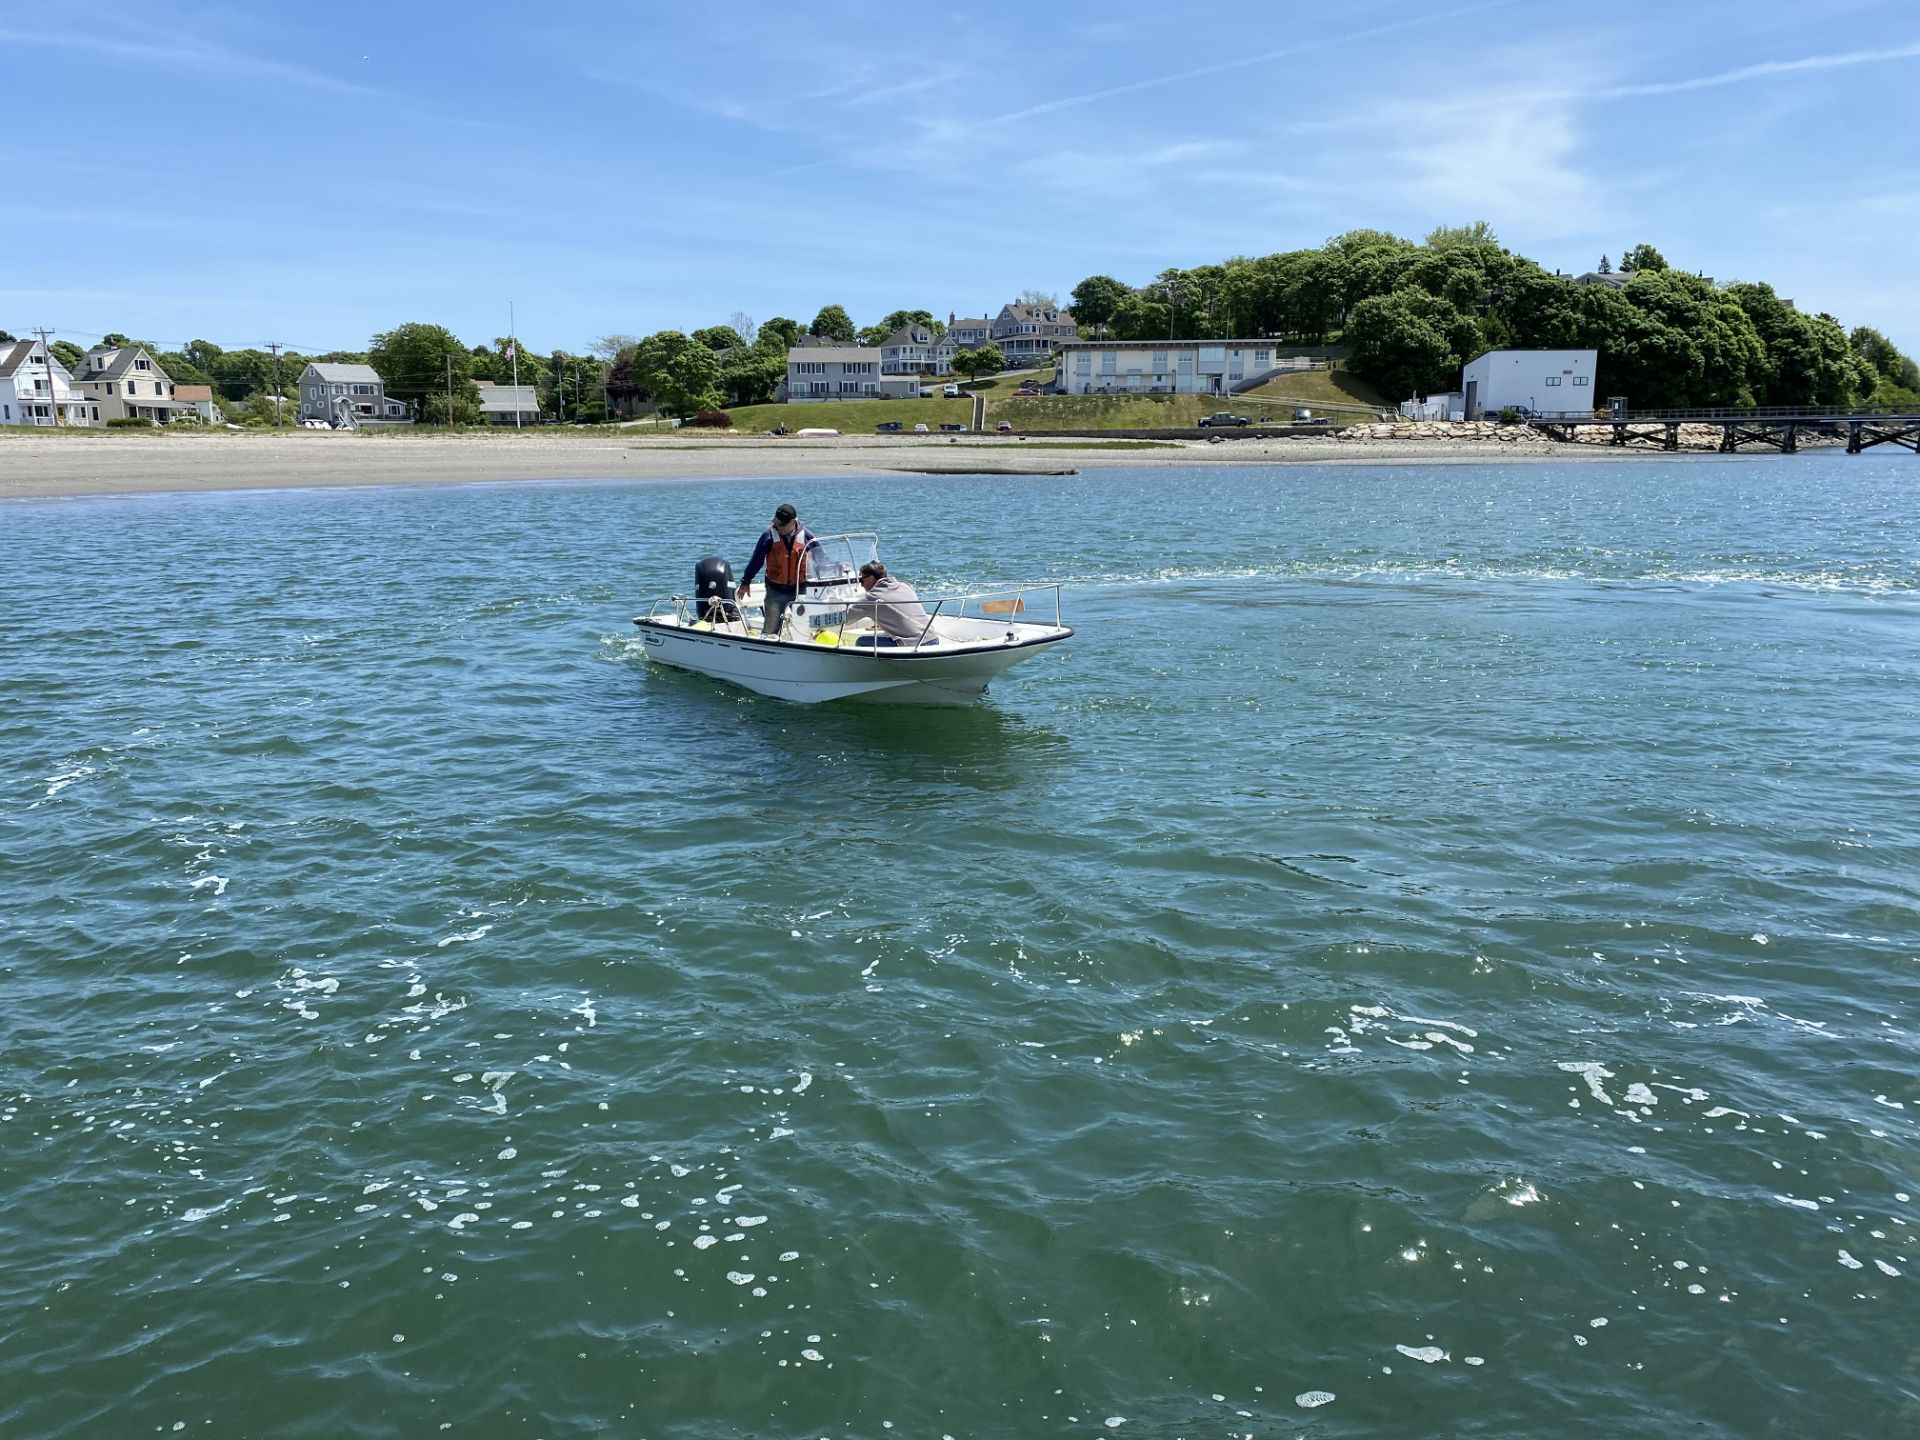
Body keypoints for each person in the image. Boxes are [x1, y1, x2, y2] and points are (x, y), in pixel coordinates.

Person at [737, 503, 811, 637]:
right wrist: (745, 582)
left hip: (801, 590)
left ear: (793, 522)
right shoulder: (768, 535)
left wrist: (835, 567)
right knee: (770, 629)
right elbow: (756, 561)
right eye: (777, 523)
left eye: (782, 525)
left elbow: (821, 556)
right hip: (776, 591)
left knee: (805, 627)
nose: (779, 527)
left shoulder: (806, 536)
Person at [845, 561, 935, 647]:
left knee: (861, 642)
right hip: (932, 639)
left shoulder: (872, 597)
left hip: (912, 644)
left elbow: (847, 619)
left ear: (871, 578)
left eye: (861, 580)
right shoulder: (905, 586)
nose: (861, 585)